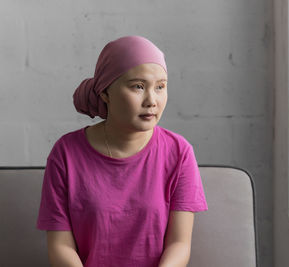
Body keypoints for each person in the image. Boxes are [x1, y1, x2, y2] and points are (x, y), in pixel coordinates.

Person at [36, 35, 208, 267]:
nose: (151, 100)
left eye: (160, 87)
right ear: (105, 93)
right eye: (138, 86)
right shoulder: (66, 154)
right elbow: (60, 246)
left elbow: (179, 244)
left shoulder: (179, 152)